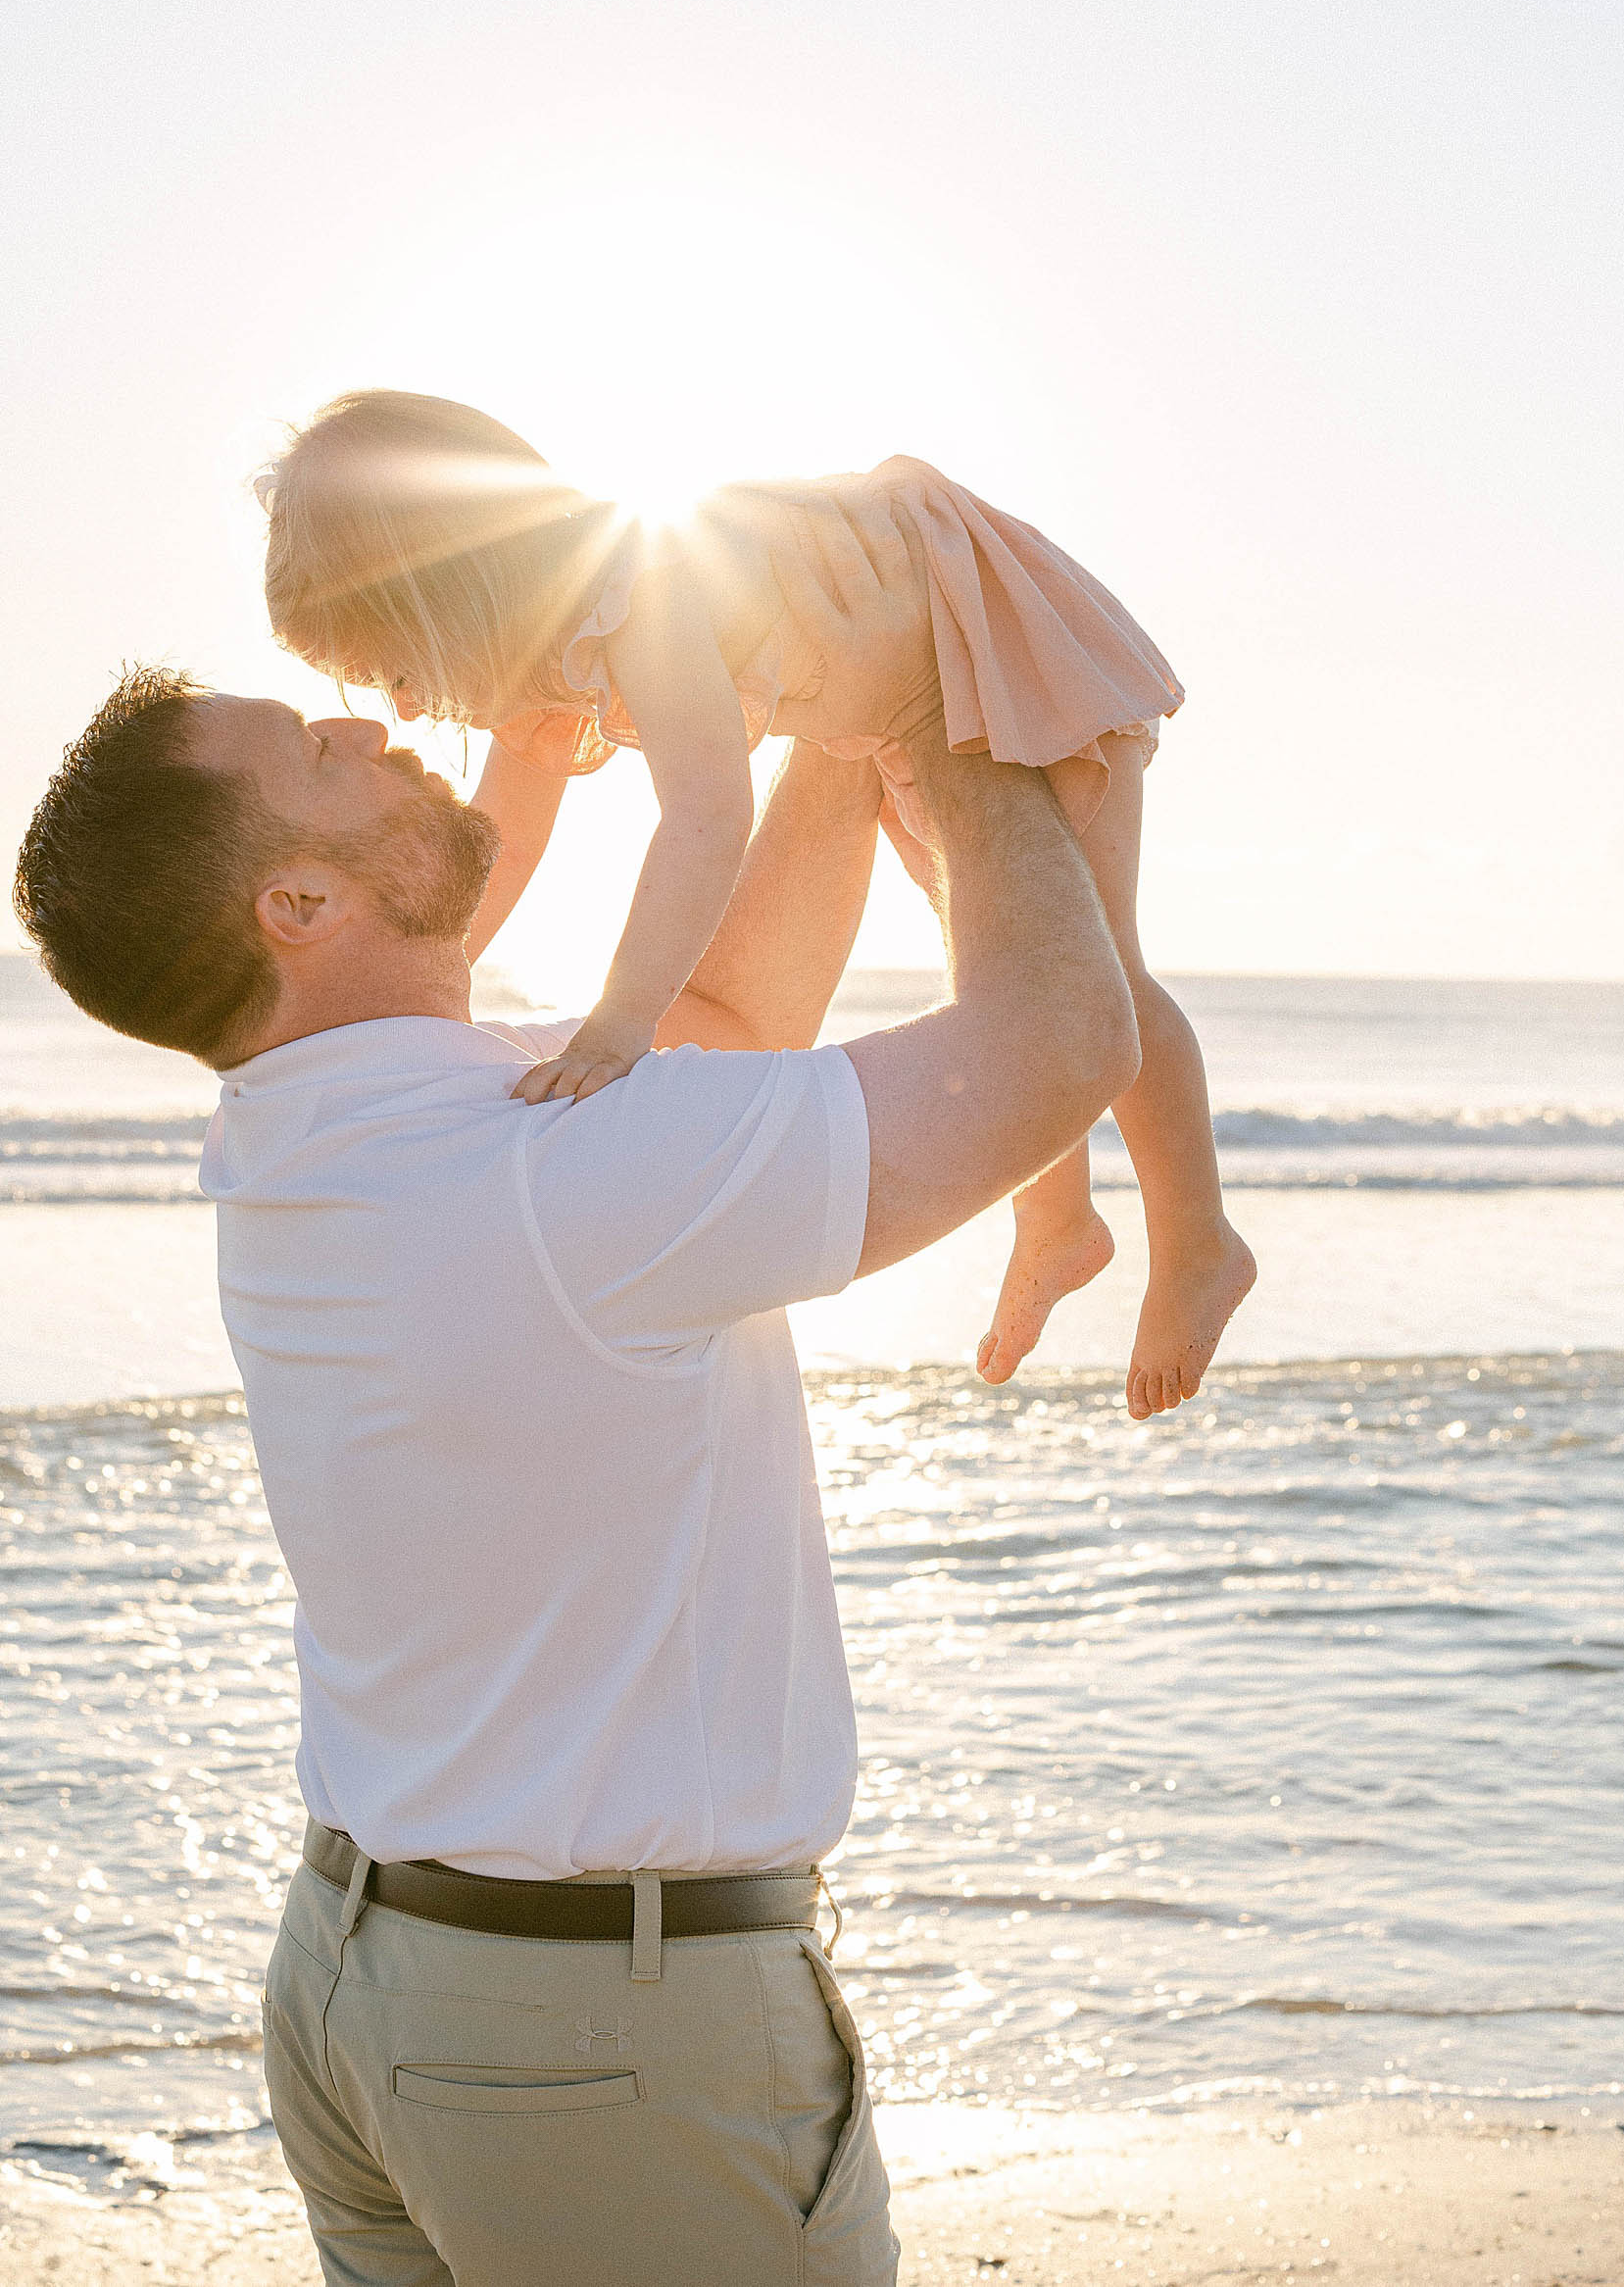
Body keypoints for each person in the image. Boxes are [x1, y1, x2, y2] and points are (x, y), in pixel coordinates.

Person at [13, 510, 1139, 2287]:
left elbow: (727, 1021)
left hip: (371, 1992)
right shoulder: (542, 1176)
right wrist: (935, 718)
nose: (372, 724)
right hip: (593, 2046)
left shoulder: (307, 1138)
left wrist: (834, 751)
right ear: (295, 906)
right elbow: (1062, 1043)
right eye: (317, 750)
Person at [258, 388, 1254, 1416]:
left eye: (393, 667)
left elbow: (704, 817)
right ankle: (1059, 1223)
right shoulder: (542, 663)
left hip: (986, 633)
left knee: (1098, 968)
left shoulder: (636, 589)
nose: (406, 709)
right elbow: (499, 850)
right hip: (902, 685)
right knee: (987, 948)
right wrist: (416, 1000)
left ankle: (1198, 1242)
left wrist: (620, 1021)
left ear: (451, 585)